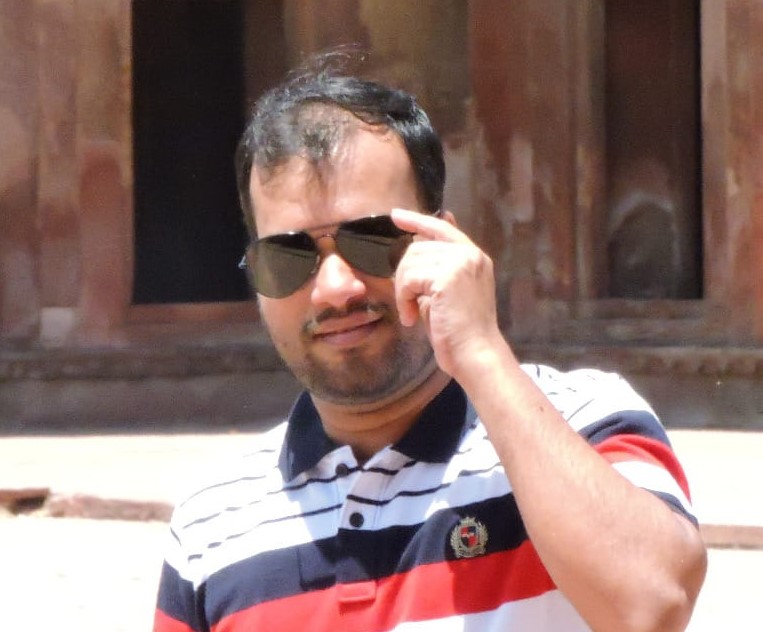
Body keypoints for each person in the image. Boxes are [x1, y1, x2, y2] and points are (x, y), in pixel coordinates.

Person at [154, 56, 706, 632]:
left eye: (371, 240)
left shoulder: (580, 422)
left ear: (444, 242)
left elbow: (652, 605)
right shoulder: (212, 522)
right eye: (288, 256)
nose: (335, 288)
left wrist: (481, 352)